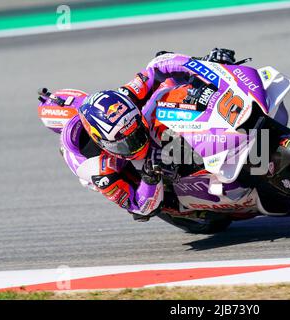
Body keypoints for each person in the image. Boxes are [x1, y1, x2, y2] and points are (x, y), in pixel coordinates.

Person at [60, 49, 237, 222]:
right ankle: (188, 210)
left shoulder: (127, 96)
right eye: (126, 144)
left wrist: (205, 64)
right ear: (102, 142)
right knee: (150, 207)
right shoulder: (100, 172)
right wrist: (149, 180)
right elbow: (138, 205)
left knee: (168, 82)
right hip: (126, 171)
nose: (138, 145)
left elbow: (158, 65)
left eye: (136, 134)